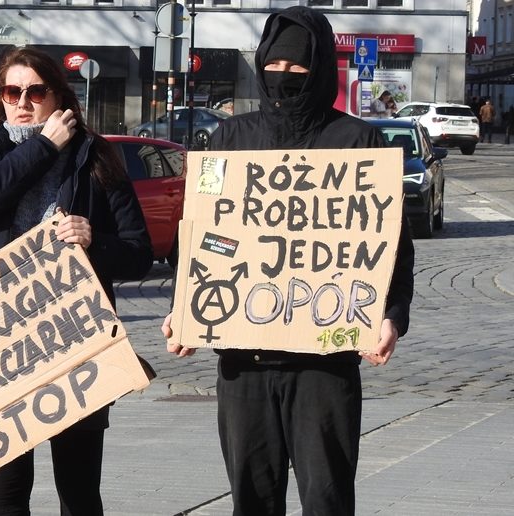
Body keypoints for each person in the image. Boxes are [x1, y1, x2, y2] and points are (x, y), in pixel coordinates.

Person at [161, 7, 414, 515]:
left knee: (327, 498)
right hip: (243, 365)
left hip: (325, 366)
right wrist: (185, 309)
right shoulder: (231, 140)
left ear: (319, 70)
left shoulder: (358, 141)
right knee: (251, 499)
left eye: (299, 70)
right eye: (275, 67)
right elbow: (204, 237)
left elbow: (392, 245)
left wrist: (391, 317)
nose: (285, 78)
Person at [0, 47, 153, 515]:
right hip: (4, 341)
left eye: (36, 91)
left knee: (79, 489)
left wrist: (94, 238)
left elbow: (139, 254)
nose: (23, 101)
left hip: (73, 336)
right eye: (11, 91)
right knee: (7, 492)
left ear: (58, 95)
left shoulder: (95, 155)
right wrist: (43, 145)